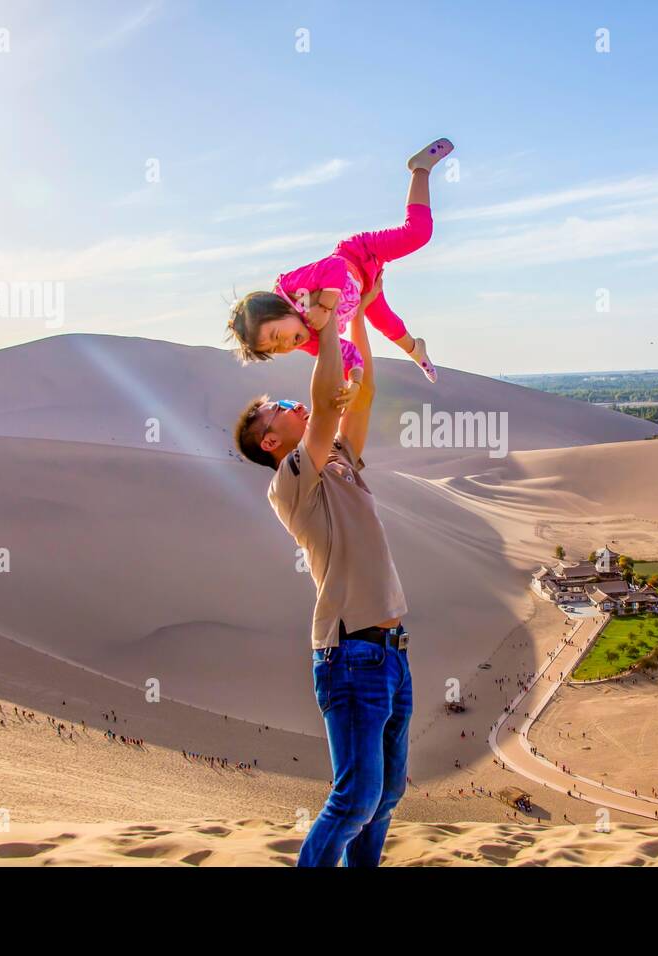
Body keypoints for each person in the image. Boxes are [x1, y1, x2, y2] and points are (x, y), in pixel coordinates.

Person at [235, 267, 410, 868]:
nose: (292, 405)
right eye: (278, 408)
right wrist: (328, 319)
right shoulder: (292, 481)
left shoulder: (338, 459)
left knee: (384, 795)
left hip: (391, 651)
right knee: (355, 797)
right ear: (269, 442)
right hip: (349, 653)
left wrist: (360, 308)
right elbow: (328, 402)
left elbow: (358, 396)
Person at [225, 138, 453, 388]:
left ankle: (420, 168)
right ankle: (417, 351)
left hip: (361, 254)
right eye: (278, 349)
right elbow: (345, 353)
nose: (287, 345)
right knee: (387, 325)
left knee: (418, 234)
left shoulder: (292, 287)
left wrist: (324, 305)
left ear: (278, 310)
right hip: (364, 287)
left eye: (278, 336)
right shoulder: (309, 339)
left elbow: (335, 267)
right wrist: (353, 381)